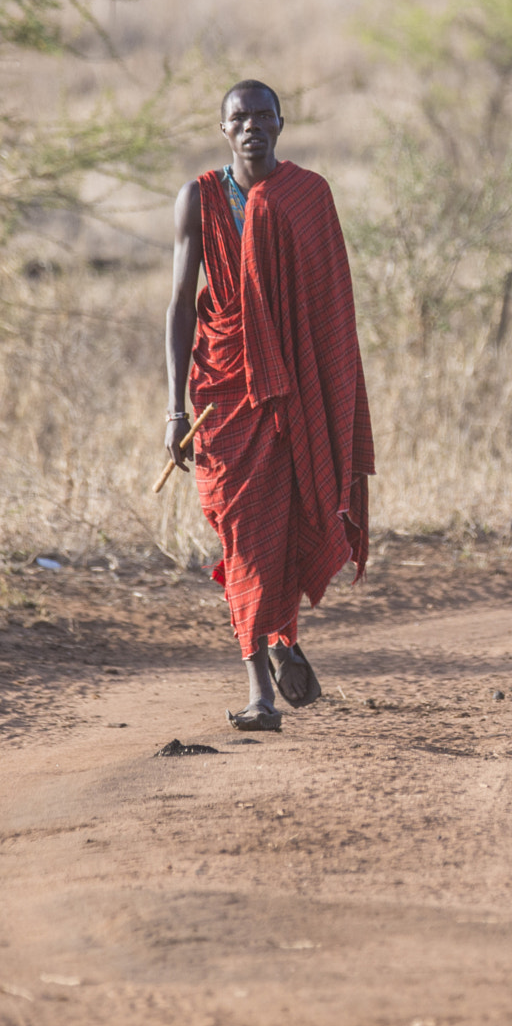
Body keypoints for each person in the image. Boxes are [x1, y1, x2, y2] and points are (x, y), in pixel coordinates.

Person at [163, 80, 374, 731]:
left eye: (262, 114)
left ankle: (274, 650)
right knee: (242, 532)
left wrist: (326, 390)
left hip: (295, 390)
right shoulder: (198, 199)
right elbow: (178, 306)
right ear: (222, 129)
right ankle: (262, 678)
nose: (251, 125)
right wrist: (173, 409)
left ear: (281, 123)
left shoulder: (309, 197)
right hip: (224, 391)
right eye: (238, 117)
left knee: (287, 527)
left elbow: (332, 308)